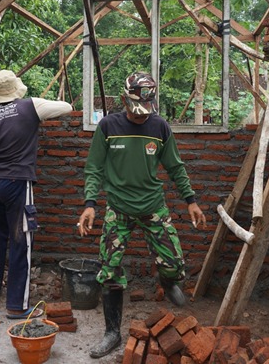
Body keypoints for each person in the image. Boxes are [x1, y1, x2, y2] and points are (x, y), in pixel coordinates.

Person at [78, 71, 206, 358]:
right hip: (118, 209)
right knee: (109, 270)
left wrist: (191, 200)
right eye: (135, 111)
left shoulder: (159, 126)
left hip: (153, 207)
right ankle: (112, 332)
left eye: (144, 112)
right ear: (125, 100)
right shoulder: (109, 126)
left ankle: (168, 279)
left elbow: (175, 166)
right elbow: (94, 167)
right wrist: (90, 204)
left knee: (173, 263)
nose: (140, 116)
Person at [0, 69, 72, 318]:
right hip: (16, 182)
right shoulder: (30, 107)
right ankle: (17, 305)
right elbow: (67, 107)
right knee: (21, 240)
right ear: (15, 88)